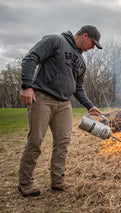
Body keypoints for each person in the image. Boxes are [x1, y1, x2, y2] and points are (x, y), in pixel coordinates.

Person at [18, 25, 103, 197]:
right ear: (85, 36)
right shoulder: (55, 41)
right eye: (93, 44)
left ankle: (58, 180)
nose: (93, 48)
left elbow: (78, 88)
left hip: (65, 104)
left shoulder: (81, 62)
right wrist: (27, 86)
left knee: (63, 142)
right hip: (42, 99)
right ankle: (25, 183)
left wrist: (89, 105)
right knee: (35, 141)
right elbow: (30, 58)